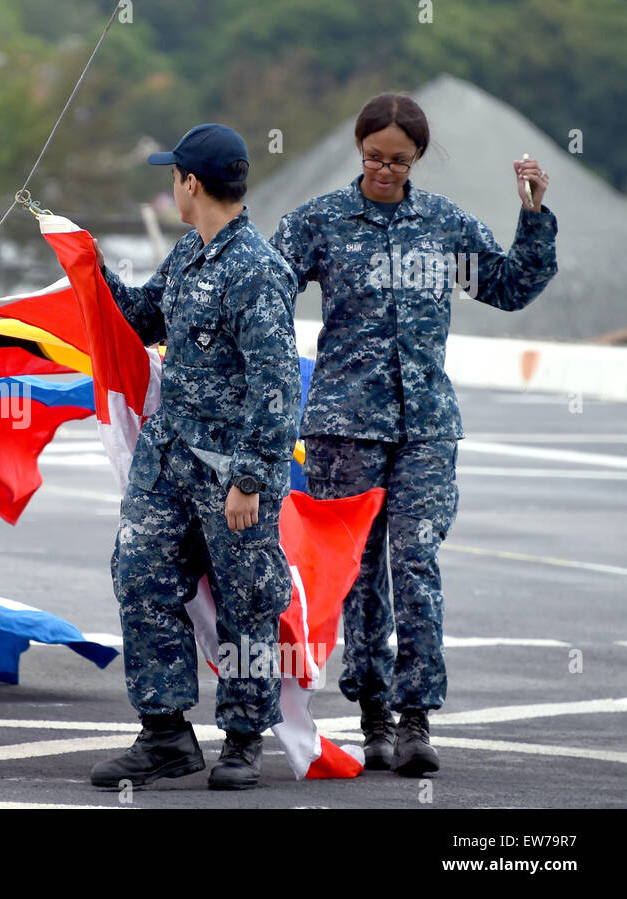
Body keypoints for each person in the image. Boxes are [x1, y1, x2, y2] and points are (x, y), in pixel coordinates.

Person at [270, 92, 557, 776]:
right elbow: (265, 288)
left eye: (398, 160)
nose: (385, 170)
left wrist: (534, 215)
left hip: (425, 426)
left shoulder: (443, 226)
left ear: (417, 158)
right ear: (358, 149)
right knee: (361, 572)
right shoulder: (321, 221)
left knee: (418, 564)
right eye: (373, 156)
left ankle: (416, 717)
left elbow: (510, 286)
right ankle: (371, 714)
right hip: (345, 427)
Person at [88, 124, 301, 791]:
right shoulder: (189, 254)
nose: (171, 186)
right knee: (140, 572)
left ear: (192, 184)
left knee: (245, 600)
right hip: (169, 464)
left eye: (173, 176)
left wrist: (249, 479)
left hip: (228, 471)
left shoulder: (256, 268)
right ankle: (164, 734)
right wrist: (89, 270)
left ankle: (242, 740)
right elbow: (145, 318)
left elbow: (275, 384)